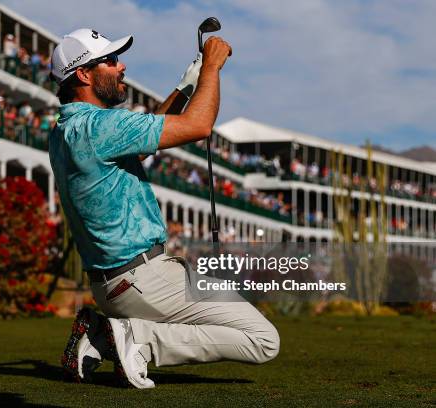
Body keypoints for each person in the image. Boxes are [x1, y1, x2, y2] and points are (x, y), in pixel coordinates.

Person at [49, 29, 279, 389]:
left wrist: (185, 87)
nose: (121, 65)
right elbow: (199, 126)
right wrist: (211, 69)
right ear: (84, 75)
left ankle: (101, 333)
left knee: (232, 307)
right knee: (263, 340)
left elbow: (139, 149)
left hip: (114, 286)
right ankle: (136, 339)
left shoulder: (66, 128)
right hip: (144, 281)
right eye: (109, 60)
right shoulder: (101, 125)